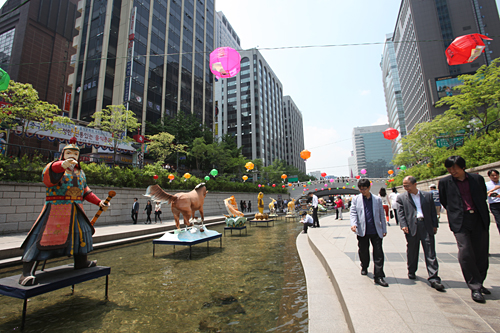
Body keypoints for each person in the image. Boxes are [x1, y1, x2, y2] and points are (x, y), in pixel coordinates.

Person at [18, 141, 109, 286]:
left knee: (82, 234)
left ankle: (81, 261)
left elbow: (85, 191)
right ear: (62, 155)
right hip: (57, 208)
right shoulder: (55, 168)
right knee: (43, 237)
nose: (72, 157)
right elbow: (48, 176)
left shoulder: (80, 173)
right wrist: (61, 165)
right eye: (69, 154)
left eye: (75, 154)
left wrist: (99, 202)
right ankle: (26, 272)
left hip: (76, 208)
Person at [439, 156, 490, 303]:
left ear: (462, 167)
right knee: (466, 251)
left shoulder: (476, 179)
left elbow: (482, 196)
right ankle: (474, 286)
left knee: (481, 252)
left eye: (454, 167)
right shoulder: (444, 182)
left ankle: (480, 281)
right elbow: (444, 201)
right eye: (449, 168)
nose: (452, 171)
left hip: (478, 218)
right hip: (460, 221)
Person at [397, 176, 444, 291]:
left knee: (430, 251)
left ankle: (434, 277)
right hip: (412, 226)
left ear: (415, 184)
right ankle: (411, 270)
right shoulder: (402, 197)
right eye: (404, 186)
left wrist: (434, 225)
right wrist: (403, 225)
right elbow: (400, 213)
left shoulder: (427, 196)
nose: (405, 188)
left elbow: (433, 211)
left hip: (426, 225)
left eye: (407, 185)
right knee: (412, 250)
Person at [350, 178, 388, 287]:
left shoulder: (377, 199)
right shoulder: (356, 199)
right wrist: (353, 224)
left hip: (376, 230)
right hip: (362, 230)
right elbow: (353, 213)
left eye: (365, 189)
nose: (363, 191)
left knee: (378, 253)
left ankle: (379, 276)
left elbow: (382, 215)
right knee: (363, 251)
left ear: (369, 187)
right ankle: (364, 266)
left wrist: (384, 229)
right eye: (361, 189)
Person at [486, 169, 500, 234]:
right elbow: (483, 194)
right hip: (494, 205)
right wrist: (494, 189)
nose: (495, 177)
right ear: (489, 176)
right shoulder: (487, 184)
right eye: (493, 175)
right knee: (499, 221)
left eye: (496, 175)